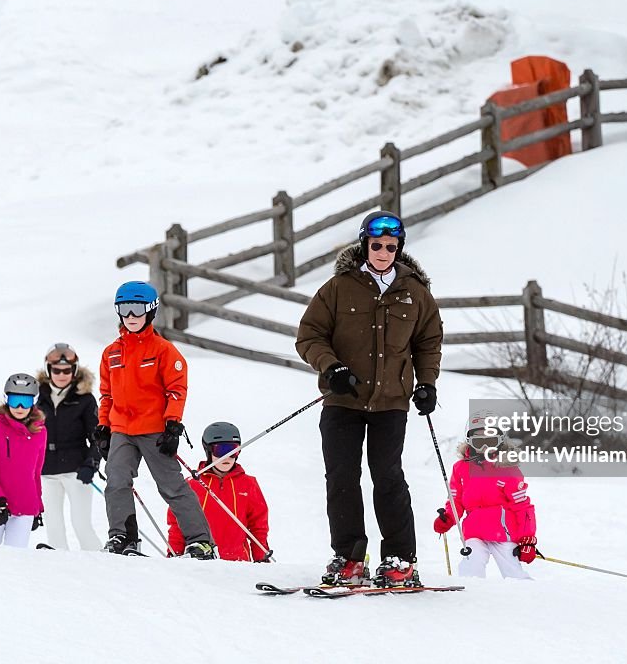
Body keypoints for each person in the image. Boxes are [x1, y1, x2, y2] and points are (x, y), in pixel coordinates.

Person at [295, 211, 443, 587]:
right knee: (342, 478)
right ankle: (348, 559)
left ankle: (399, 561)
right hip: (343, 402)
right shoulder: (339, 287)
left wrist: (426, 384)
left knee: (388, 478)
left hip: (391, 404)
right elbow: (309, 335)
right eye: (376, 245)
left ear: (399, 248)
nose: (383, 252)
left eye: (391, 246)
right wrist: (332, 369)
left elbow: (428, 342)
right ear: (365, 245)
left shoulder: (415, 293)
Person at [93, 281, 215, 558]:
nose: (131, 316)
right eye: (125, 309)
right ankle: (123, 537)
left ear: (150, 311)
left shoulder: (163, 350)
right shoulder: (111, 352)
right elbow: (106, 395)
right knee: (116, 481)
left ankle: (200, 541)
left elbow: (176, 389)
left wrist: (173, 424)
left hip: (155, 430)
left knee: (171, 486)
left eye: (137, 309)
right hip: (122, 429)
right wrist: (104, 427)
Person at [433, 410, 538, 579]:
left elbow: (522, 507)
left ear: (500, 442)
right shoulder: (460, 469)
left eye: (490, 441)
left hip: (503, 533)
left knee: (513, 572)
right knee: (472, 564)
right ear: (469, 442)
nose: (484, 448)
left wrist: (528, 539)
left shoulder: (507, 469)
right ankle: (469, 592)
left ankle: (526, 595)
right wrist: (449, 517)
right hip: (474, 531)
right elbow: (456, 500)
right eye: (479, 442)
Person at [167, 422, 270, 562]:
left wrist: (261, 558)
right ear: (208, 450)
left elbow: (259, 526)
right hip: (200, 564)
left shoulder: (248, 484)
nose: (227, 457)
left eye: (233, 451)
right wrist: (175, 555)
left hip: (239, 565)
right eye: (221, 450)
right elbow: (177, 525)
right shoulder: (192, 485)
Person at [36, 343, 102, 551]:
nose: (62, 375)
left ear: (74, 371)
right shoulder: (38, 399)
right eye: (56, 370)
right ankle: (60, 567)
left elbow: (98, 437)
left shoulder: (85, 399)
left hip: (76, 470)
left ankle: (100, 562)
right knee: (53, 525)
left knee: (81, 524)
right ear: (48, 370)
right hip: (46, 471)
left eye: (67, 370)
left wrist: (91, 464)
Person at [0, 373, 47, 548]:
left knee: (15, 561)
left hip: (25, 506)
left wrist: (38, 507)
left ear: (34, 401)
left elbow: (35, 473)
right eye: (15, 400)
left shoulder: (40, 432)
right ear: (7, 399)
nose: (20, 407)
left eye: (26, 401)